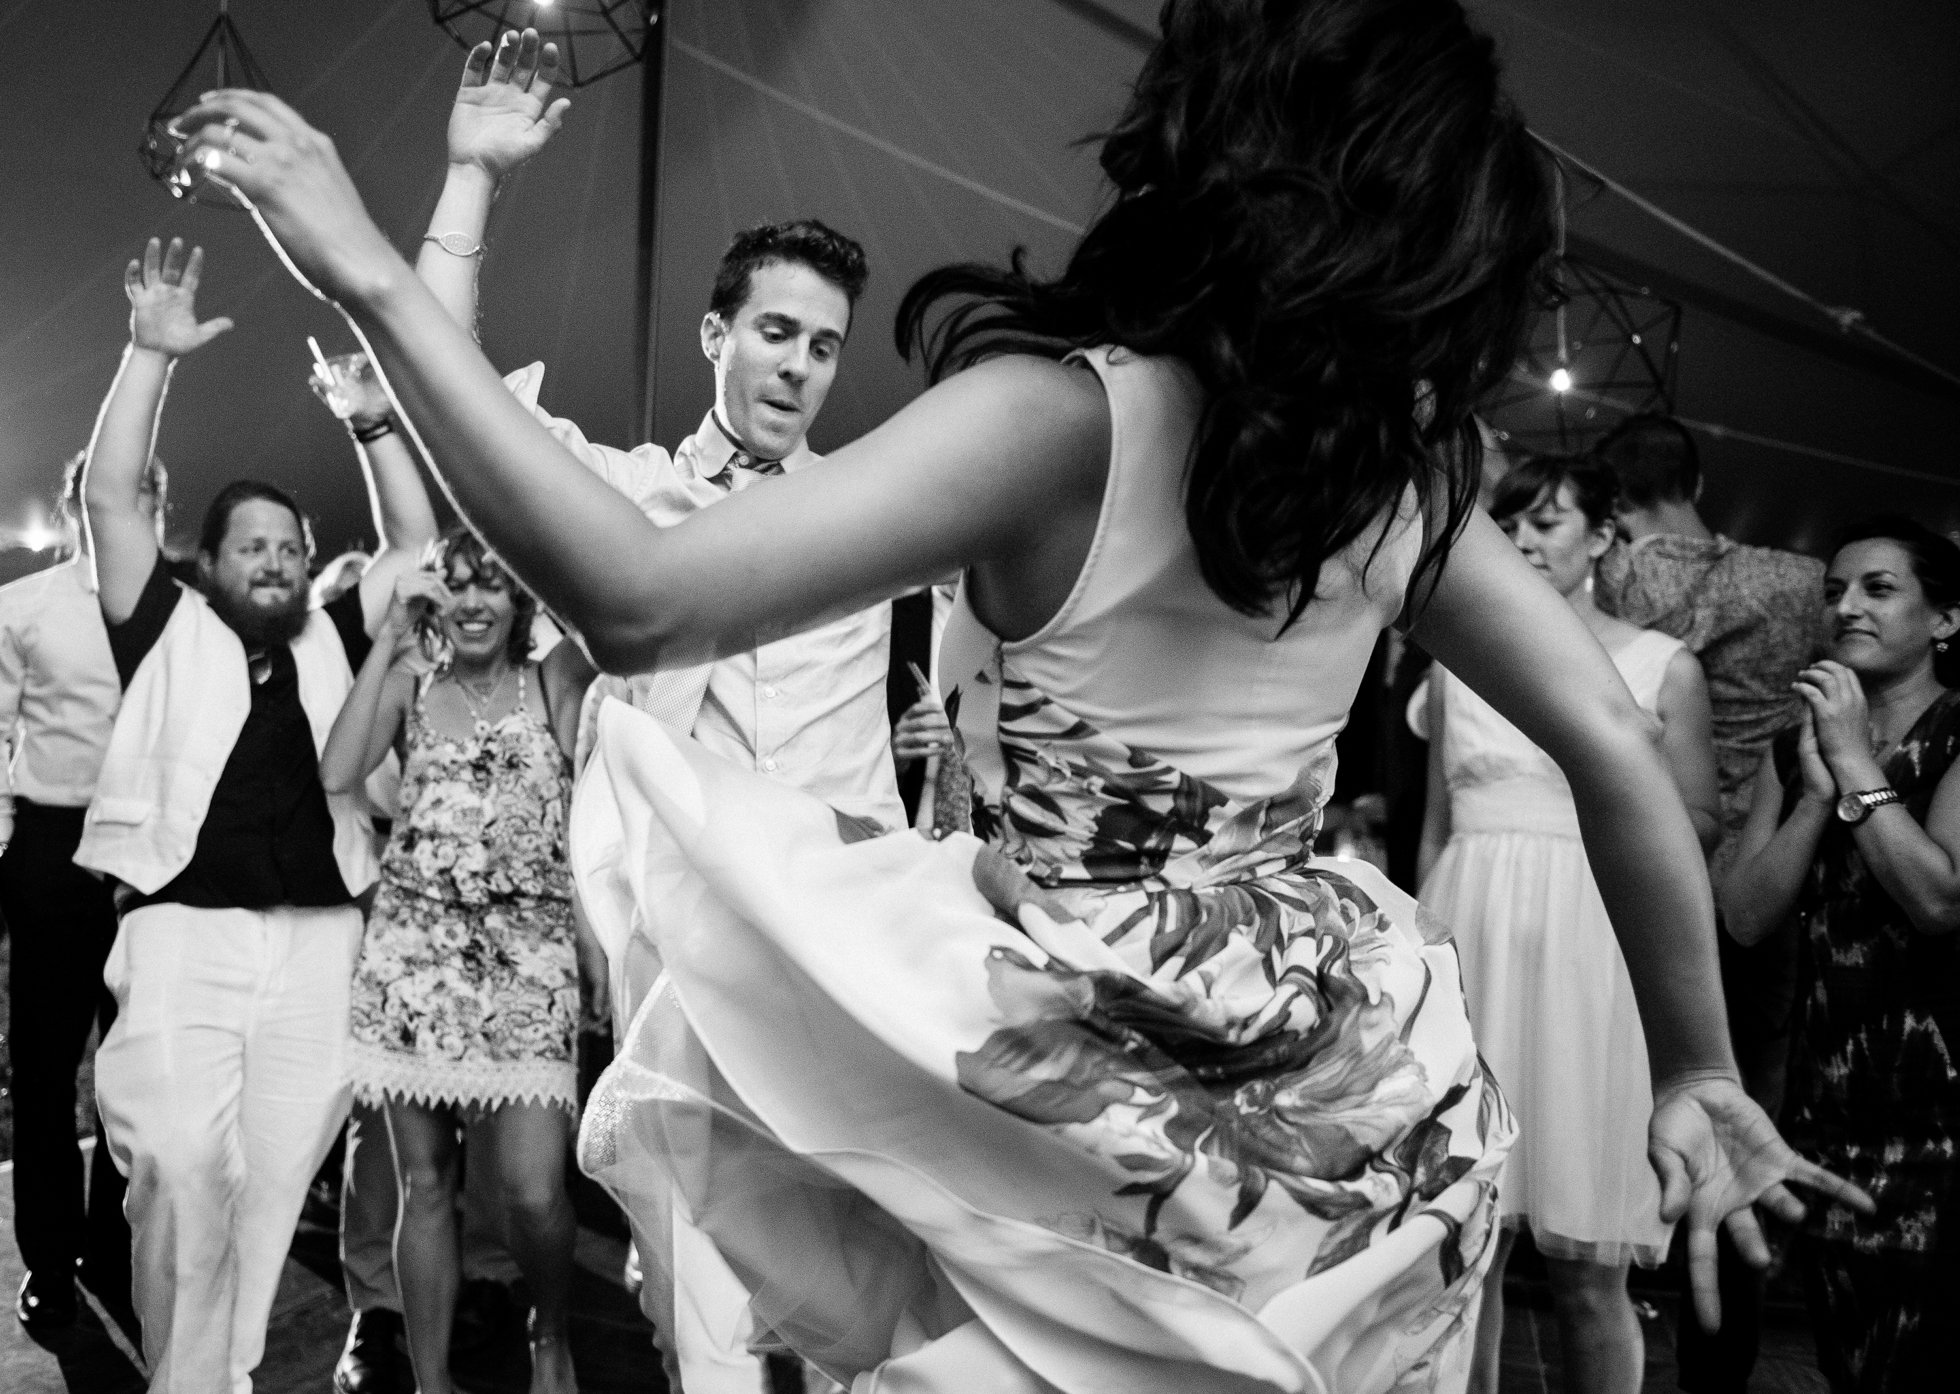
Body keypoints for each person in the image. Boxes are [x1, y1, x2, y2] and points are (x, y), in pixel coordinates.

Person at [181, 2, 1869, 1388]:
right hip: (1338, 1058)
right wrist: (1692, 1062)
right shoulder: (1392, 473)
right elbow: (1613, 755)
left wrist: (375, 274)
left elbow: (632, 597)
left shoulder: (1062, 424)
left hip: (1066, 1059)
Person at [389, 32, 916, 1390]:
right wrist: (471, 179)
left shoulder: (882, 509)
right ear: (716, 335)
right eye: (776, 332)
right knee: (708, 1319)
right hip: (684, 965)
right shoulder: (623, 504)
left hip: (853, 962)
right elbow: (445, 385)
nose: (801, 366)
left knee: (870, 1313)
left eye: (824, 345)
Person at [76, 235, 438, 1393]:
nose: (275, 561)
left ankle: (215, 1379)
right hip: (184, 930)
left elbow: (419, 547)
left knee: (274, 1182)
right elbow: (107, 492)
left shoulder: (334, 637)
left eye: (290, 546)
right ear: (214, 561)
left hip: (323, 940)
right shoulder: (160, 623)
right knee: (181, 1166)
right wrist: (149, 355)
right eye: (253, 547)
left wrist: (375, 423)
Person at [1417, 455, 1719, 1394]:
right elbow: (1435, 827)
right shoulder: (1456, 661)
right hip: (1469, 933)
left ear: (1602, 538)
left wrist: (1623, 787)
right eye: (1508, 523)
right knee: (1462, 1249)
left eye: (1547, 522)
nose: (1523, 541)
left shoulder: (1661, 664)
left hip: (1594, 945)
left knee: (1593, 1269)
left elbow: (1698, 825)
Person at [321, 525, 596, 1394]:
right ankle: (432, 1380)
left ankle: (549, 1332)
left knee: (531, 1191)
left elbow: (610, 622)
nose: (475, 602)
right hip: (414, 959)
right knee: (424, 1185)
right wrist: (391, 642)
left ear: (520, 603)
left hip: (529, 960)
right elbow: (338, 769)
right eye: (458, 584)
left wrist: (550, 563)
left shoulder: (550, 682)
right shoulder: (412, 684)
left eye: (495, 586)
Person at [1589, 411, 1826, 1393]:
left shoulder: (1614, 577)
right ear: (1695, 473)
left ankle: (1604, 1268)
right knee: (1742, 1097)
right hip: (1766, 861)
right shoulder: (1798, 580)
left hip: (1639, 865)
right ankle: (1717, 1359)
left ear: (1610, 502)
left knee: (1612, 1086)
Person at [1719, 516, 1960, 1394]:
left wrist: (1858, 761)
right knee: (1848, 1358)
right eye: (1833, 593)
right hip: (1830, 1103)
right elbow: (1745, 916)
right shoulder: (1795, 747)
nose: (1845, 607)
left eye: (1877, 589)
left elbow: (1939, 899)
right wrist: (1817, 795)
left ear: (1946, 620)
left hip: (1942, 1114)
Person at [0, 451, 156, 1329]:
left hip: (153, 853)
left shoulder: (183, 612)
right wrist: (7, 853)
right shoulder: (21, 608)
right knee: (46, 1065)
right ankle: (50, 1263)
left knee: (134, 1070)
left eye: (145, 495)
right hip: (53, 848)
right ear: (73, 508)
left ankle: (113, 1244)